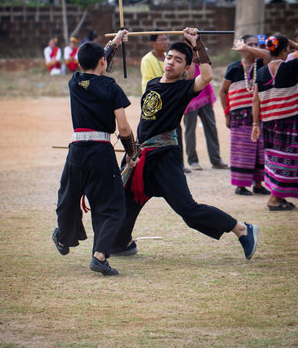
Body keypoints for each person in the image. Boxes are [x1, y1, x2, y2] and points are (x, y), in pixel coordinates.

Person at [111, 28, 258, 262]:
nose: (171, 62)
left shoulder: (184, 88)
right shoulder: (151, 84)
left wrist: (197, 42)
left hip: (164, 158)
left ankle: (242, 229)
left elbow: (207, 76)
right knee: (127, 199)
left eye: (179, 60)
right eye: (169, 57)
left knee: (188, 211)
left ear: (186, 68)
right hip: (142, 156)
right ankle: (122, 242)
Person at [52, 29, 137, 276]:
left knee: (68, 197)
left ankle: (63, 238)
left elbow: (97, 63)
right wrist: (132, 152)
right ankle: (99, 256)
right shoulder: (111, 86)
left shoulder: (75, 82)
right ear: (103, 62)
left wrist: (114, 43)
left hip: (76, 151)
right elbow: (123, 127)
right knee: (110, 206)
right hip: (101, 153)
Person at [251, 34, 298, 210]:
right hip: (289, 124)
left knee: (275, 160)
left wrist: (256, 124)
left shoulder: (261, 71)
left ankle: (279, 196)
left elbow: (255, 100)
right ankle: (274, 199)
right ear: (285, 50)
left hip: (270, 125)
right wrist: (293, 43)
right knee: (287, 161)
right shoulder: (291, 67)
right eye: (288, 48)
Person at [220, 35, 270, 196]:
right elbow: (223, 91)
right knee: (242, 152)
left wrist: (248, 47)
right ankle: (240, 185)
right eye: (250, 44)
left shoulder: (262, 65)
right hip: (239, 118)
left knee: (260, 152)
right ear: (241, 48)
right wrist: (226, 114)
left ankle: (258, 184)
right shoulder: (234, 68)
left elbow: (268, 54)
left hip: (259, 116)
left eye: (256, 44)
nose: (254, 47)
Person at [140, 29, 189, 173]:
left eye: (166, 39)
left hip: (172, 102)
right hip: (156, 103)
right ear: (153, 42)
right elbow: (154, 82)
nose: (165, 42)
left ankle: (177, 164)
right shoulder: (147, 60)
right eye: (161, 39)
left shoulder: (168, 59)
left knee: (175, 132)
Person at [183, 62, 229, 170]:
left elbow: (208, 72)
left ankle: (216, 160)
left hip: (205, 96)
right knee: (190, 130)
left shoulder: (200, 53)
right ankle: (193, 161)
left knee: (211, 128)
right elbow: (189, 76)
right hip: (190, 99)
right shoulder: (185, 57)